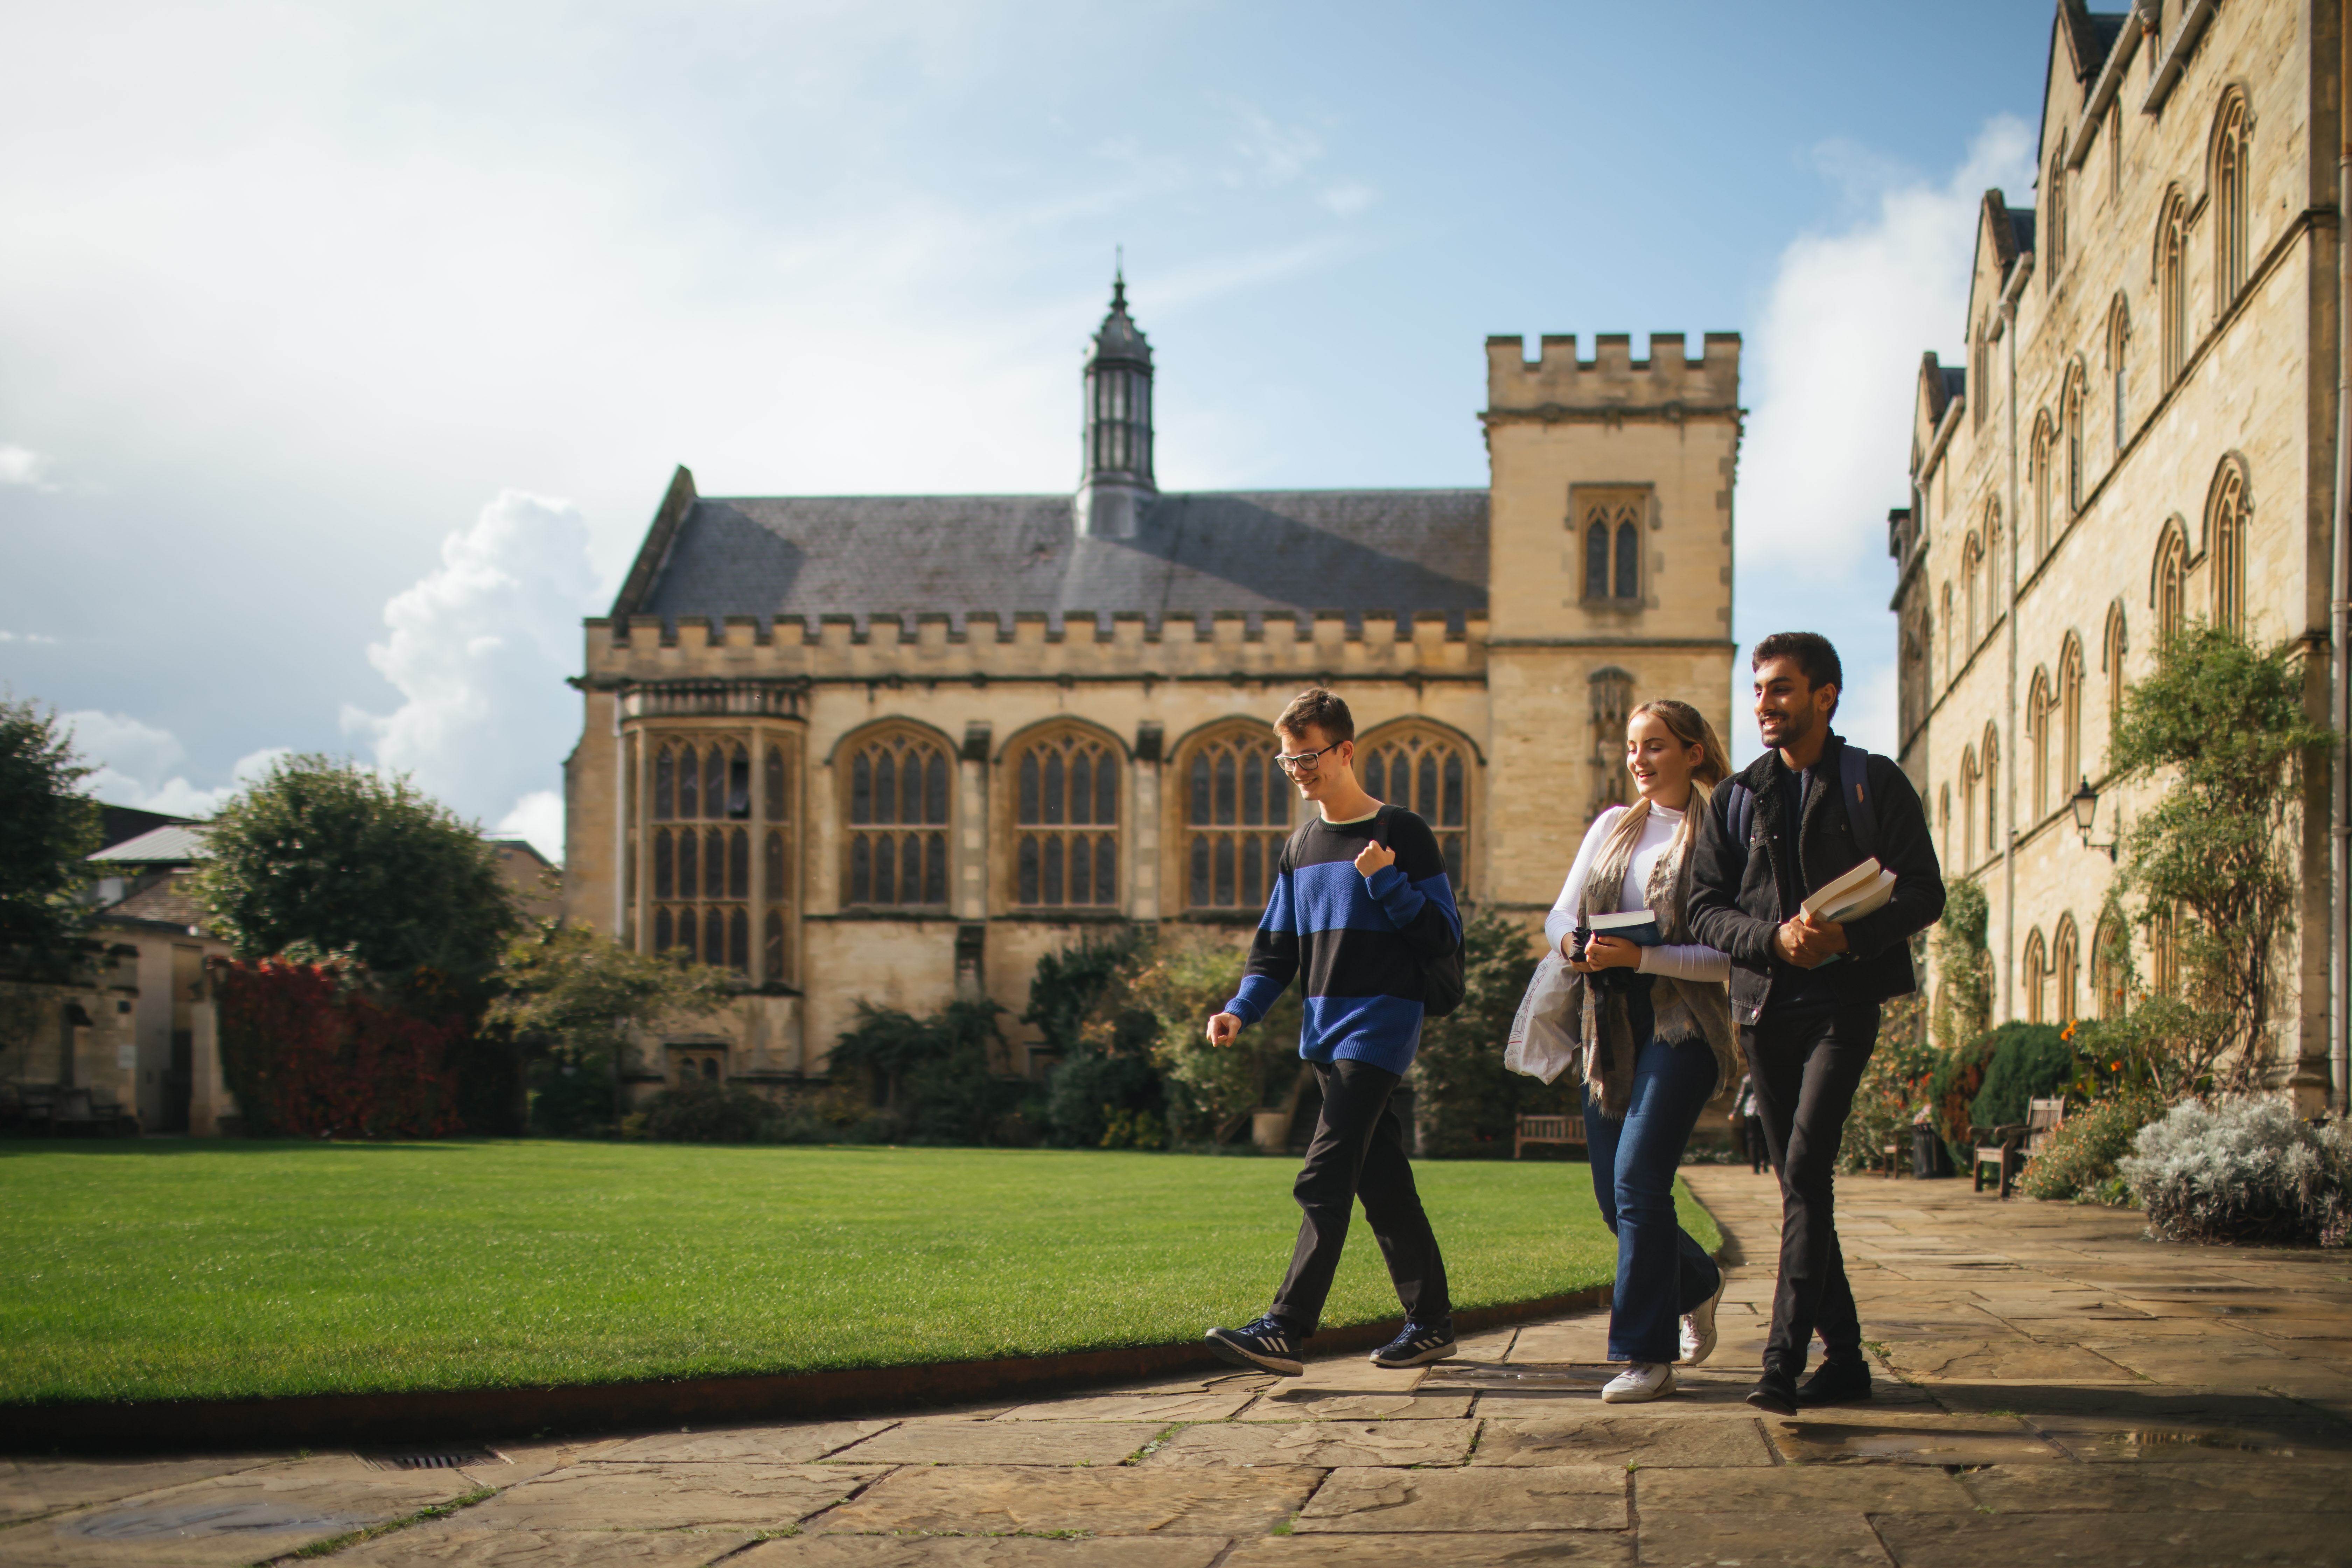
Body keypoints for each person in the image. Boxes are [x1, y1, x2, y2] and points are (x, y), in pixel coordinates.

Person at [1686, 632, 1946, 1416]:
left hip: (1844, 1003)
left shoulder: (1875, 781)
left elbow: (1926, 893)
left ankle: (1781, 1360)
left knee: (1804, 1167)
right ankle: (1848, 1360)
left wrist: (1847, 935)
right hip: (1765, 1010)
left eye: (1782, 689)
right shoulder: (1735, 797)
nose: (1764, 703)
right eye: (1759, 689)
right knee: (1802, 1179)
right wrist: (1772, 938)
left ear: (1826, 695)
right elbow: (1705, 908)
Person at [1201, 687, 1464, 1377]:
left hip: (1379, 1027)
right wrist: (1239, 1008)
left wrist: (1385, 882)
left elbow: (1442, 934)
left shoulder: (1401, 832)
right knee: (1383, 1185)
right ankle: (1432, 1322)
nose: (1298, 769)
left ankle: (1286, 1326)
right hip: (1324, 1031)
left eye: (1309, 755)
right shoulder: (1300, 845)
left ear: (1346, 749)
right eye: (1288, 759)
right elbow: (1275, 952)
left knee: (1324, 1175)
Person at [1544, 699, 1740, 1404]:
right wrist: (1577, 945)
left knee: (1636, 1180)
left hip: (1683, 1025)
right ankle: (1700, 1280)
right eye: (1633, 746)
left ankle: (1644, 1354)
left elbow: (1729, 953)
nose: (1639, 758)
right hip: (1610, 1024)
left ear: (1694, 752)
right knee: (1613, 1198)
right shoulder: (1610, 825)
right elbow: (1560, 915)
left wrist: (1645, 955)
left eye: (1655, 745)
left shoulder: (1720, 830)